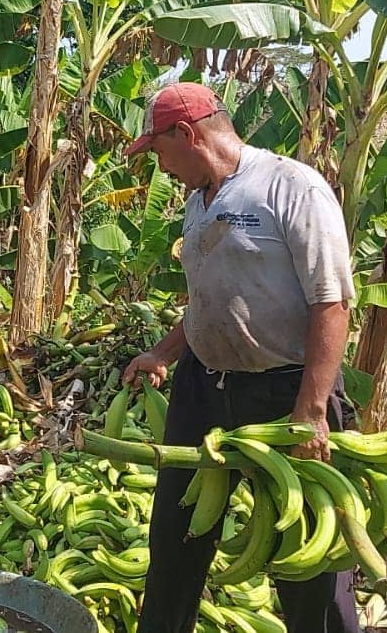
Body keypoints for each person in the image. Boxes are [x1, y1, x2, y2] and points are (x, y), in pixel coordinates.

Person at [120, 82, 359, 633]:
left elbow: (332, 301)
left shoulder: (290, 186)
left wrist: (313, 409)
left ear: (187, 134)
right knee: (176, 540)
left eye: (158, 152)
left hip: (286, 391)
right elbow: (210, 301)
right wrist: (162, 351)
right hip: (204, 388)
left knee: (308, 555)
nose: (160, 168)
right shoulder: (197, 202)